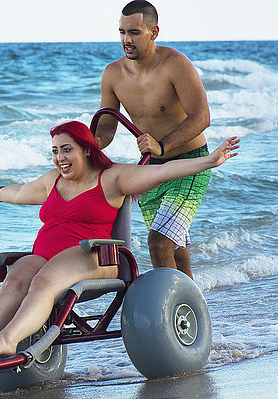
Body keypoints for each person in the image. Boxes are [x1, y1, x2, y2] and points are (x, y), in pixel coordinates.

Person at [0, 120, 239, 359]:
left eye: (67, 149)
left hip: (93, 256)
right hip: (45, 258)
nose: (60, 157)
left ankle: (8, 340)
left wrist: (208, 161)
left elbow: (160, 173)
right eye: (55, 151)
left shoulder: (111, 178)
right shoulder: (53, 180)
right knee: (16, 278)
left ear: (86, 149)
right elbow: (21, 192)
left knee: (43, 281)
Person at [94, 0, 211, 279]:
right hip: (149, 167)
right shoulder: (113, 73)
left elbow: (201, 116)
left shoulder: (175, 64)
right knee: (175, 245)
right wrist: (85, 149)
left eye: (134, 32)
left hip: (188, 164)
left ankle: (168, 312)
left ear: (153, 32)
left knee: (159, 243)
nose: (126, 40)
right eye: (121, 32)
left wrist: (163, 145)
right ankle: (190, 310)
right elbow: (106, 127)